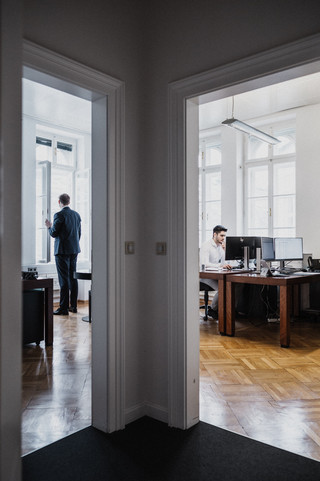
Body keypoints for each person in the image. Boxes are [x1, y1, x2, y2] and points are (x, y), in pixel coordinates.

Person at [45, 193, 81, 315]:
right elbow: (78, 234)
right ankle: (74, 306)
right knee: (73, 278)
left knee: (64, 279)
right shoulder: (76, 215)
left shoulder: (59, 215)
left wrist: (49, 227)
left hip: (62, 251)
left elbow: (54, 233)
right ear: (68, 202)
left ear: (59, 202)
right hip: (74, 250)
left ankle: (64, 308)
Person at [199, 224, 231, 319]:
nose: (223, 238)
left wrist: (225, 251)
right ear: (214, 234)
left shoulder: (220, 247)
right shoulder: (206, 246)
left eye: (224, 236)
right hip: (205, 276)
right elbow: (204, 264)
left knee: (231, 286)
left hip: (215, 275)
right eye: (221, 235)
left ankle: (228, 310)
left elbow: (224, 263)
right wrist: (220, 266)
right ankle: (213, 310)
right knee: (223, 288)